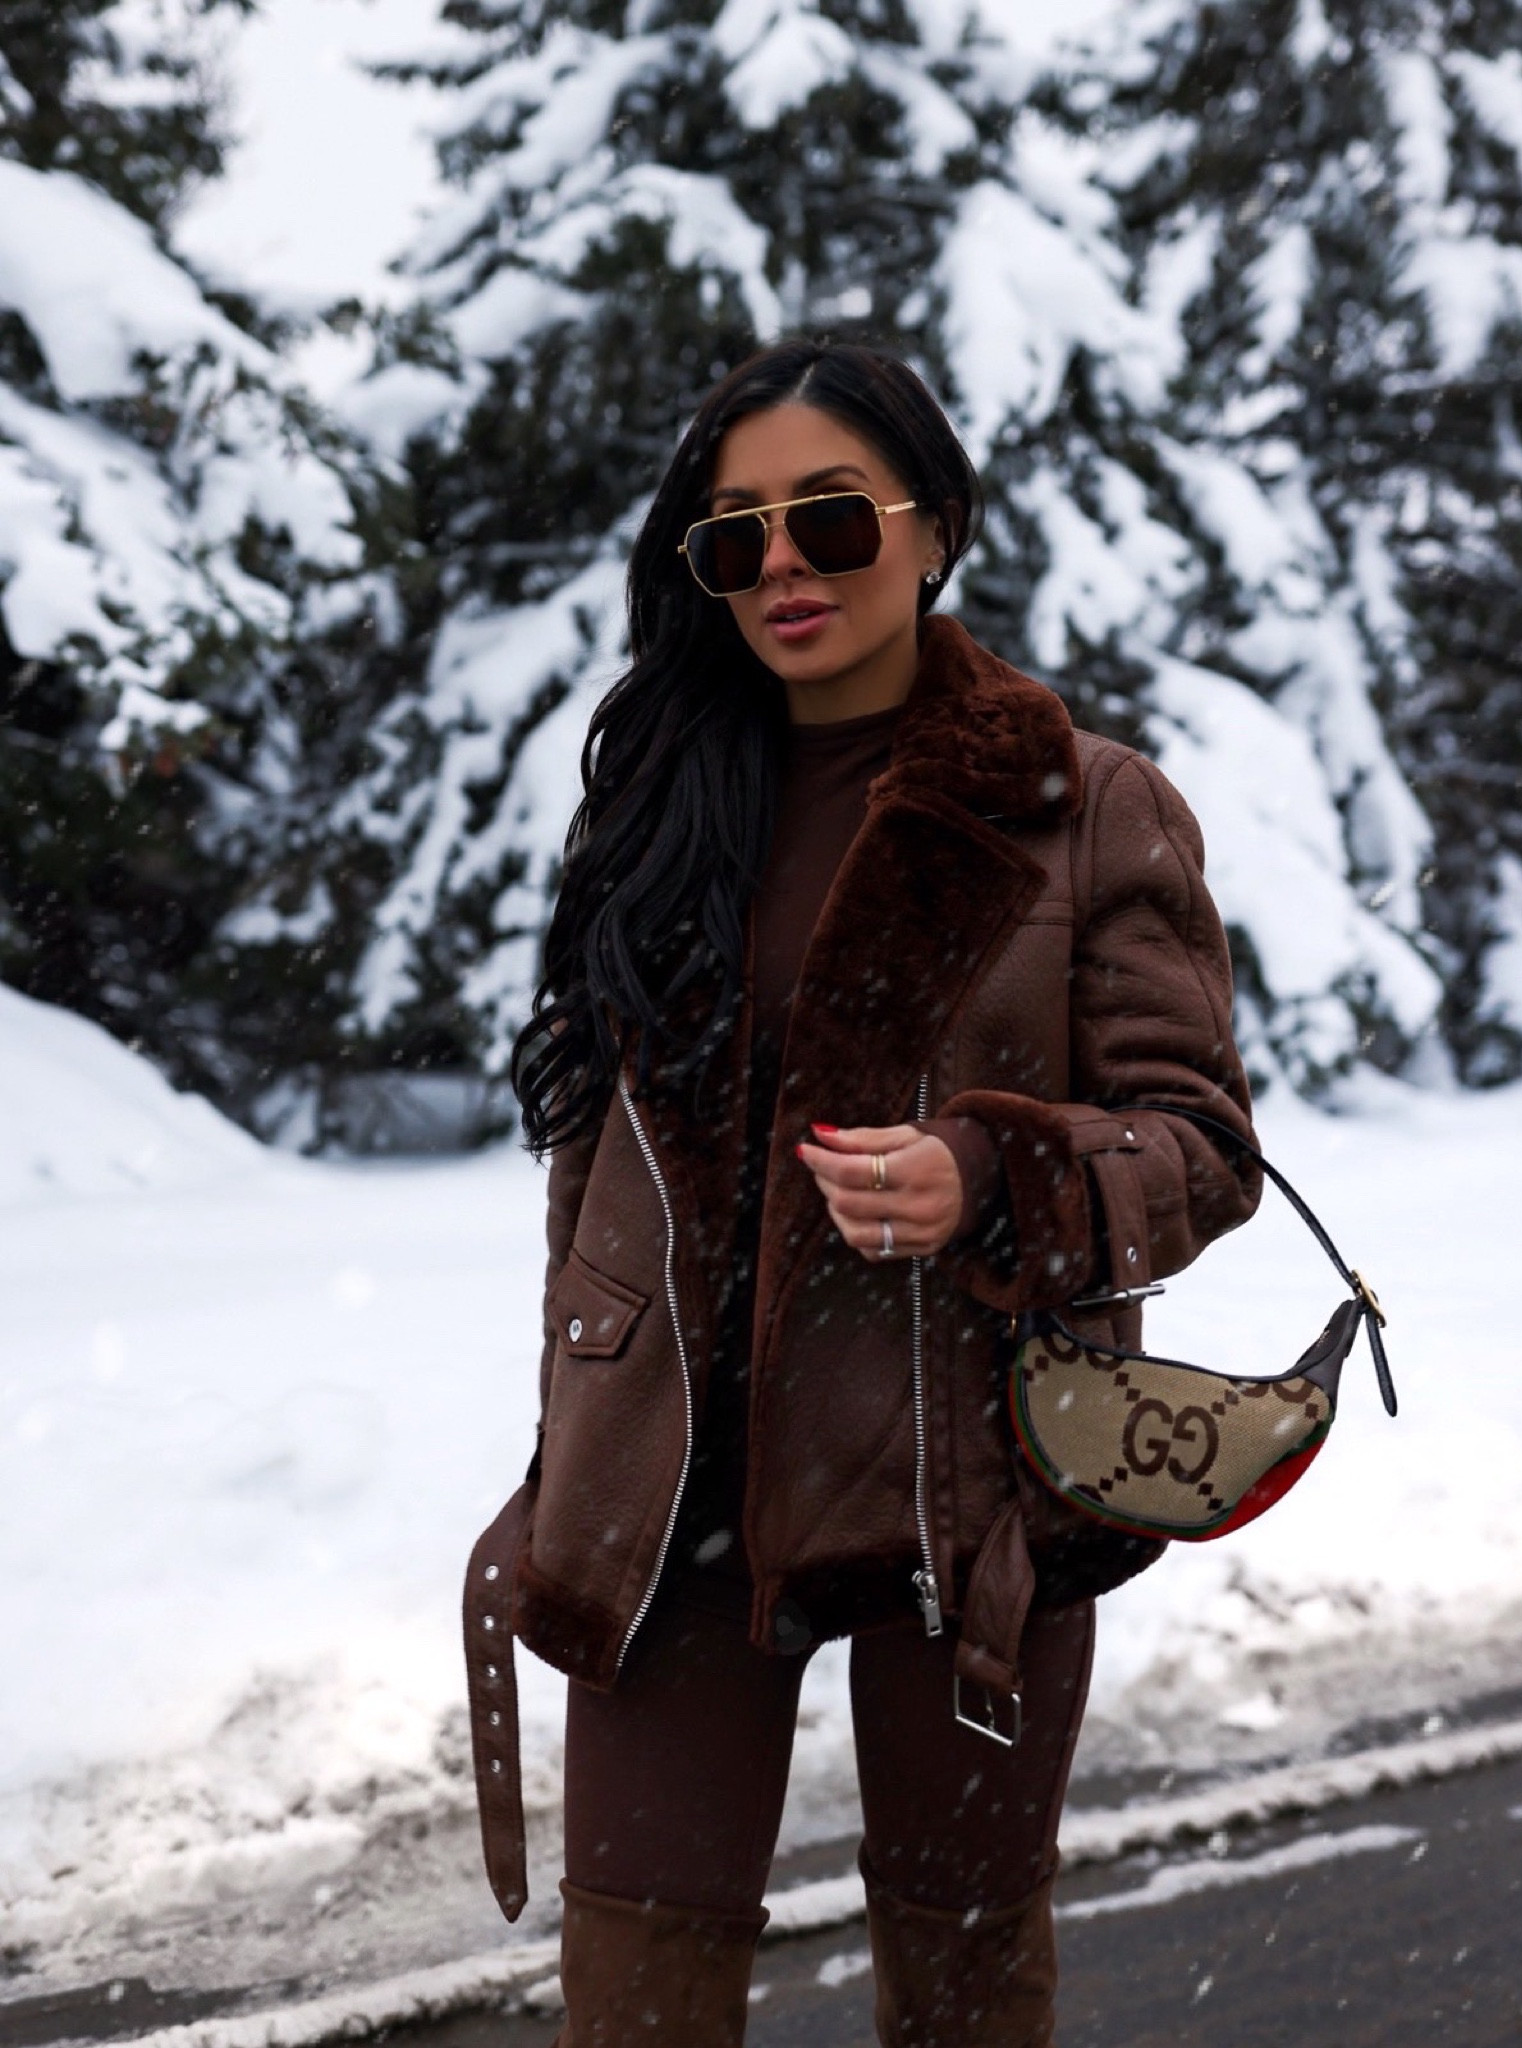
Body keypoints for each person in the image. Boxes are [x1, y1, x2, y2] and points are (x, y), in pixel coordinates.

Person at [463, 338, 1261, 2046]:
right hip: (675, 1494)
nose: (778, 570)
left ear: (935, 529)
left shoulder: (1079, 802)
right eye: (730, 534)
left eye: (829, 522)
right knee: (634, 2003)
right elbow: (594, 1173)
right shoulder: (664, 800)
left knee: (964, 1997)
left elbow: (1199, 1146)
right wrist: (564, 1445)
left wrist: (990, 1174)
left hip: (965, 1497)